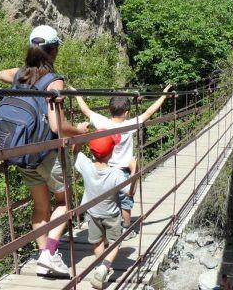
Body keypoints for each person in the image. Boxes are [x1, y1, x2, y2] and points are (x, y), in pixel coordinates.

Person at [0, 25, 89, 277]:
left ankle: (43, 258)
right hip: (47, 154)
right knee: (65, 201)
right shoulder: (53, 80)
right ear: (52, 50)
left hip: (23, 151)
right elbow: (57, 126)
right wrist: (80, 131)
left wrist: (21, 76)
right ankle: (49, 253)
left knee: (40, 207)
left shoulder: (20, 76)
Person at [74, 84, 172, 237]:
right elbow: (149, 112)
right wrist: (163, 95)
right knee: (126, 200)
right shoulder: (129, 125)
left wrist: (77, 93)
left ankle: (102, 226)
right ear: (126, 113)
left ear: (110, 109)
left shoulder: (102, 122)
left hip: (104, 168)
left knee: (104, 198)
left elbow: (85, 110)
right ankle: (127, 227)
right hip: (123, 170)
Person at [73, 131, 125, 289]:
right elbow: (130, 191)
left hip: (92, 212)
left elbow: (75, 151)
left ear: (91, 151)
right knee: (115, 242)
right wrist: (135, 170)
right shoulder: (117, 174)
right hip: (112, 214)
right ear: (111, 153)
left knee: (96, 241)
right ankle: (104, 267)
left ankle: (100, 266)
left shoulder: (86, 166)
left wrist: (80, 134)